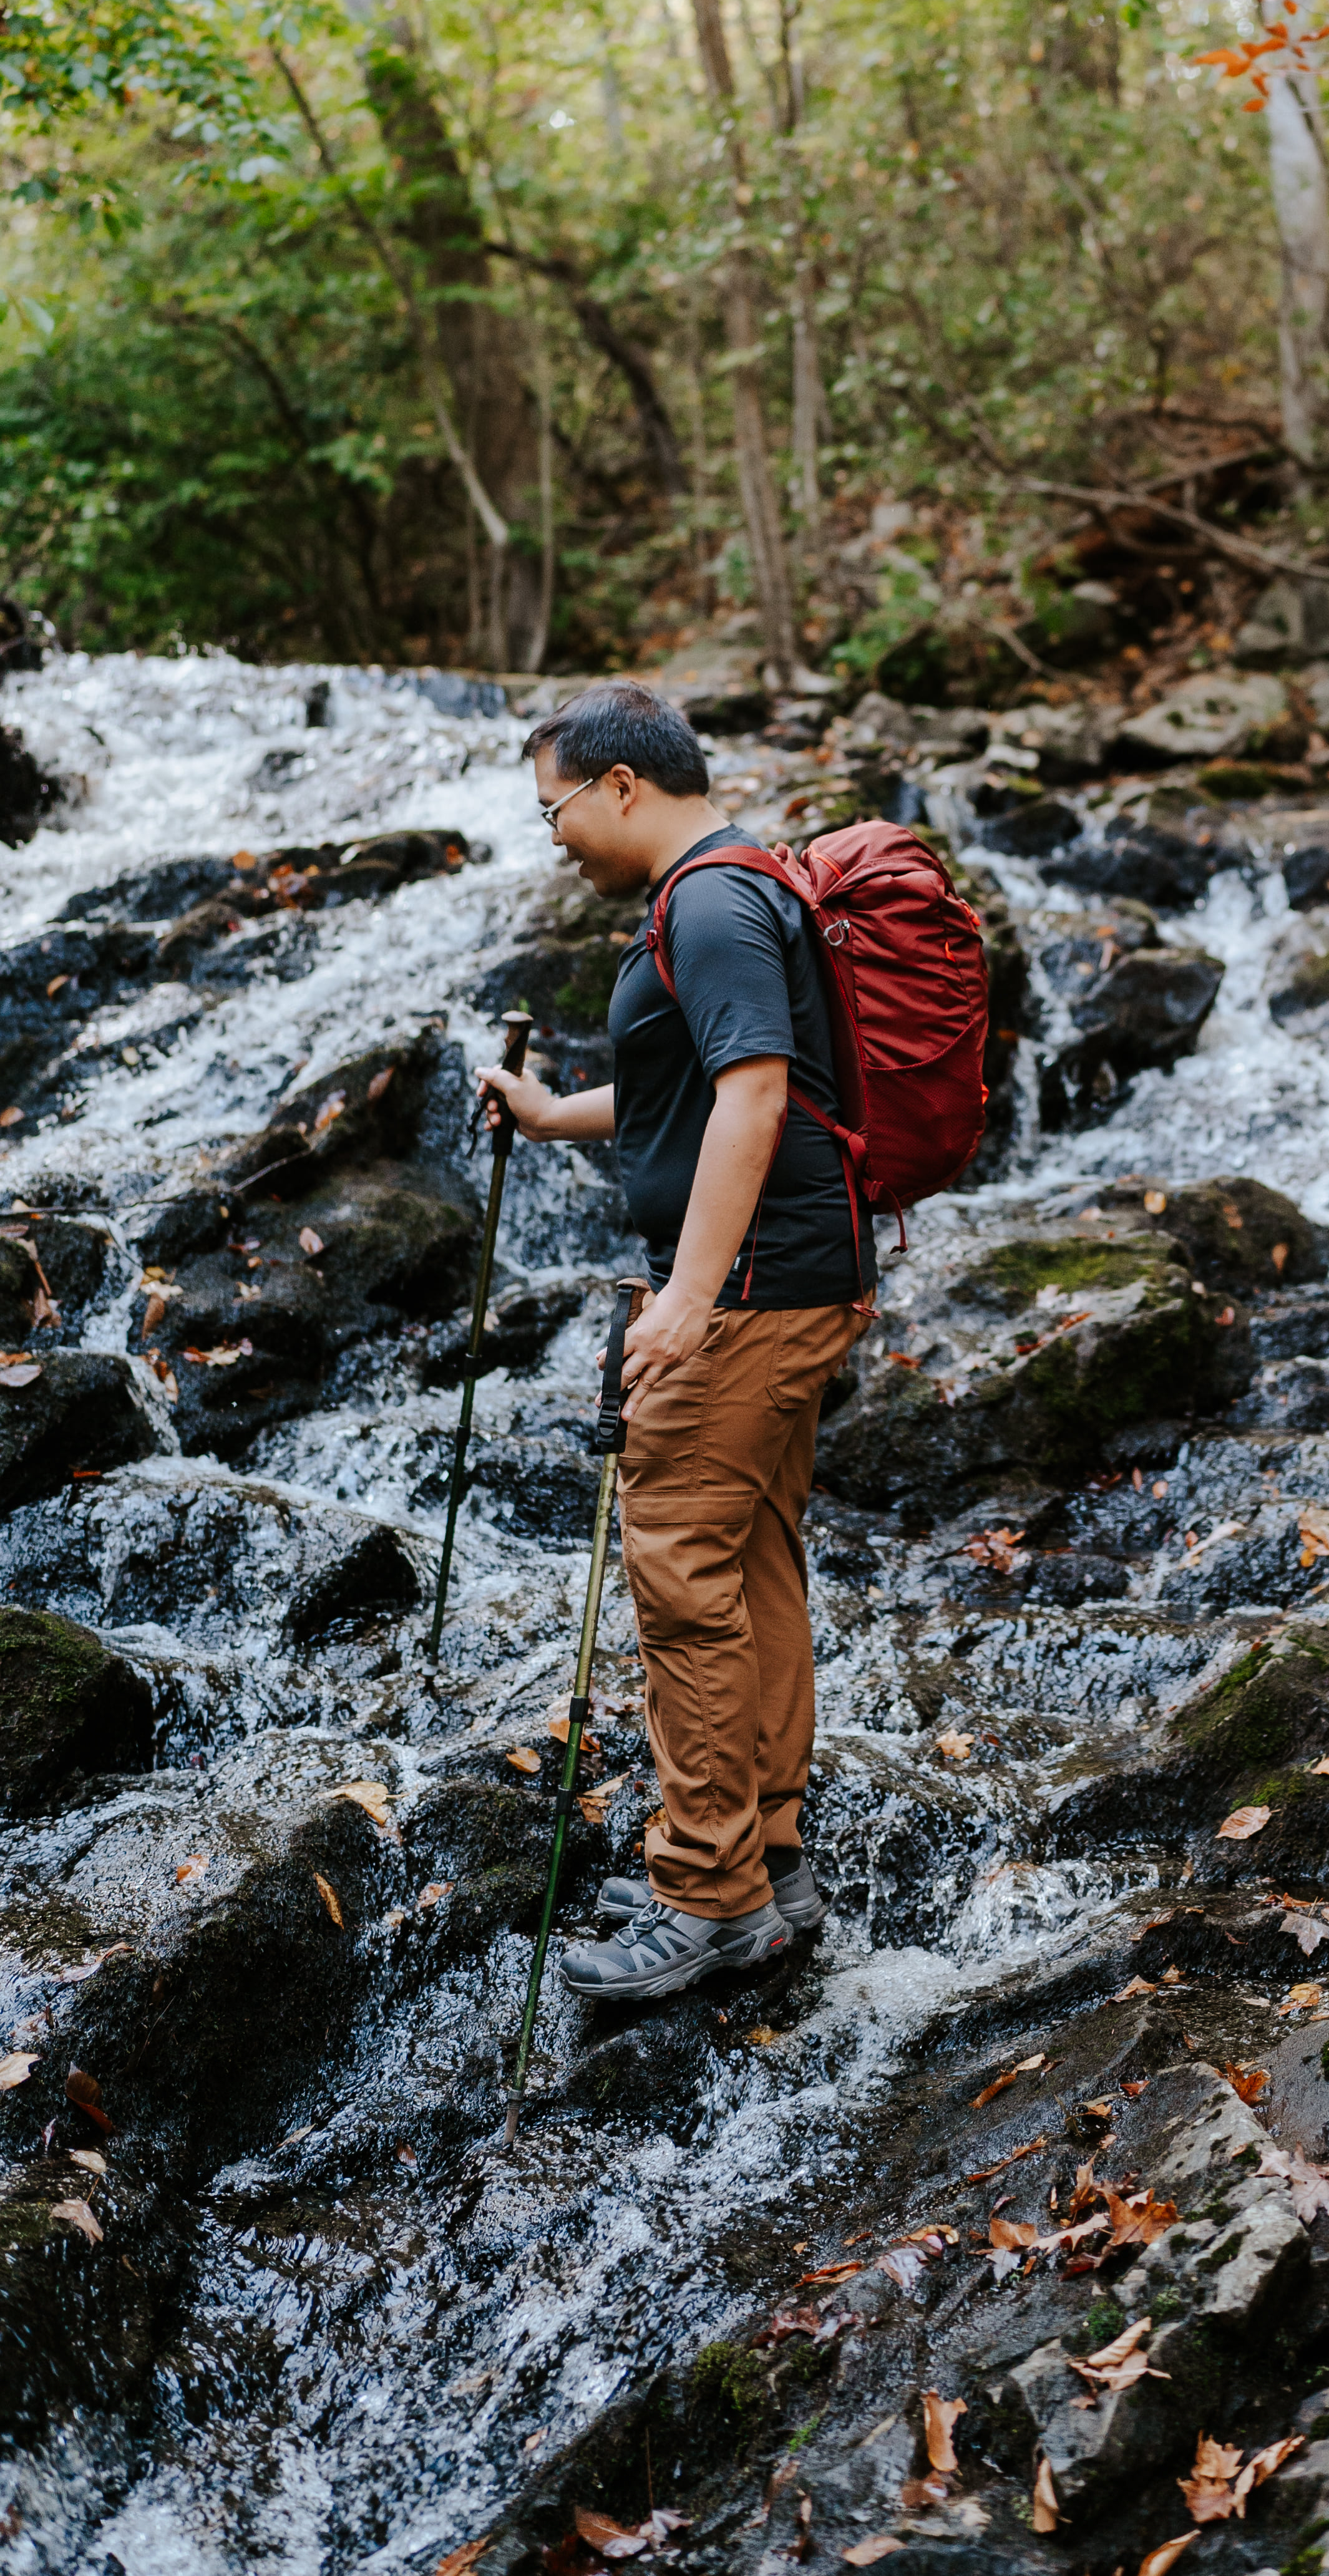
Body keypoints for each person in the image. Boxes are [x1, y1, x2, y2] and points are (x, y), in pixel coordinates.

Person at [479, 680, 874, 2001]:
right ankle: (768, 1860)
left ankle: (706, 1896)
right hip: (789, 1279)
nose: (555, 837)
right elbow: (694, 1088)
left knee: (681, 1576)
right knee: (748, 1560)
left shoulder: (706, 902)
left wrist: (688, 1297)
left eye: (556, 812)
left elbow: (756, 1097)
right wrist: (549, 1116)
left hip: (751, 1291)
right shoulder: (728, 888)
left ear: (620, 786)